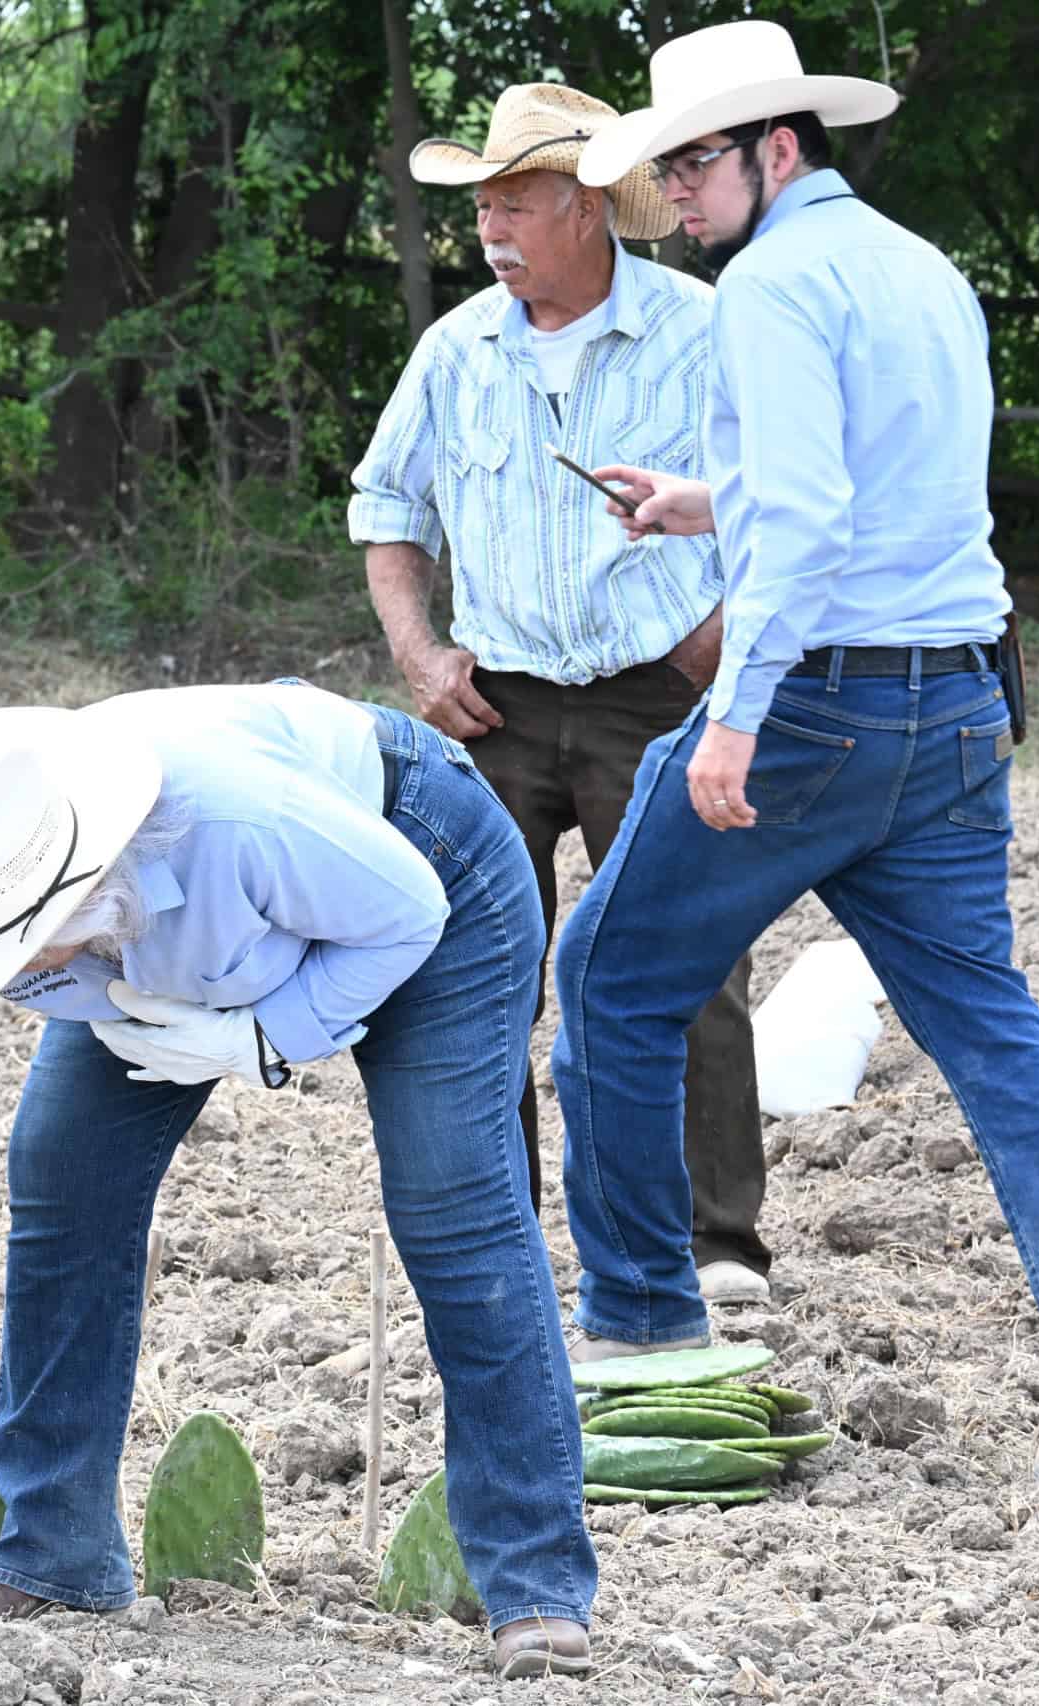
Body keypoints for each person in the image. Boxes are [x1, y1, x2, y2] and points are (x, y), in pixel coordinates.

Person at [560, 19, 1039, 1475]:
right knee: (991, 1029)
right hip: (961, 703)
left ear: (782, 147)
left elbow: (818, 525)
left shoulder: (771, 284)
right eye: (668, 169)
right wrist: (700, 501)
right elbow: (864, 495)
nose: (681, 195)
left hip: (822, 710)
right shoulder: (921, 269)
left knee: (608, 977)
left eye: (701, 162)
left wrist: (734, 717)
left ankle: (646, 1330)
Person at [0, 680, 600, 1680]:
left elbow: (407, 913)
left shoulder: (234, 822)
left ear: (79, 893)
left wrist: (264, 1034)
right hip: (190, 949)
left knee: (451, 1201)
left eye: (17, 957)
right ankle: (56, 1550)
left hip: (422, 867)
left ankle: (534, 1577)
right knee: (64, 1172)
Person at [354, 82, 772, 1304]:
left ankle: (717, 1243)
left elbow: (775, 502)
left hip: (658, 694)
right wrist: (419, 657)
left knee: (689, 965)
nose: (489, 225)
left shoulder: (703, 330)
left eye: (514, 199)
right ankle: (496, 1238)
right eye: (479, 201)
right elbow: (388, 513)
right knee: (473, 970)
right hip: (498, 708)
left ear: (587, 208)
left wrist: (724, 643)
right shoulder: (453, 351)